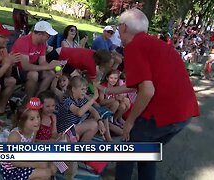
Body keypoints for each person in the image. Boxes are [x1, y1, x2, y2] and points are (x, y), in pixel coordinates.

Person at [114, 8, 200, 180]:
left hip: (162, 115)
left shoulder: (134, 46)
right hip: (184, 115)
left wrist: (129, 122)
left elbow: (147, 90)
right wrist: (109, 90)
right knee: (146, 155)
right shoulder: (156, 44)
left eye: (118, 28)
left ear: (124, 27)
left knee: (126, 153)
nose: (118, 32)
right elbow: (146, 85)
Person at [0, 97, 57, 180]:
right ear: (22, 121)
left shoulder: (33, 130)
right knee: (46, 173)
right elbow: (14, 162)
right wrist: (37, 164)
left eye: (38, 117)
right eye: (32, 119)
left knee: (53, 168)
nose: (37, 121)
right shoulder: (15, 136)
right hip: (12, 169)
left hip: (25, 159)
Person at [11, 21, 61, 102]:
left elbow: (42, 62)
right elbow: (25, 66)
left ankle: (36, 99)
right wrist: (48, 66)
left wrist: (53, 68)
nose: (49, 37)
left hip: (31, 67)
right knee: (33, 74)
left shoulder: (42, 44)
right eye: (47, 36)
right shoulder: (23, 41)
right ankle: (28, 101)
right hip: (17, 69)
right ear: (40, 34)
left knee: (51, 74)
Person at [56, 76, 105, 142]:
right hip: (64, 133)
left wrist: (100, 121)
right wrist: (93, 99)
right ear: (73, 89)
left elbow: (93, 110)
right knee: (94, 124)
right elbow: (79, 113)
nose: (85, 92)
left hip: (74, 130)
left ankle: (82, 148)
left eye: (86, 89)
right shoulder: (66, 99)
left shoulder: (81, 99)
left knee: (95, 123)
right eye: (82, 89)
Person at [46, 47, 114, 82]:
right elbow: (94, 82)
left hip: (60, 52)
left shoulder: (93, 52)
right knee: (78, 78)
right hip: (58, 58)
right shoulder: (91, 65)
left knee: (78, 74)